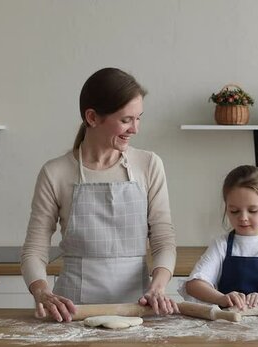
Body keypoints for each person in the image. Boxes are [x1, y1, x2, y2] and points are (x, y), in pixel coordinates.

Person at [21, 68, 178, 322]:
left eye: (139, 118)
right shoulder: (56, 172)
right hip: (72, 313)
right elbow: (35, 249)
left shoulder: (148, 165)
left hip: (137, 311)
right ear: (92, 117)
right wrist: (41, 292)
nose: (135, 129)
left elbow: (163, 238)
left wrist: (158, 286)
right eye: (126, 120)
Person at [184, 165, 258, 310]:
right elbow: (194, 285)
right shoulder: (221, 245)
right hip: (228, 325)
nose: (243, 218)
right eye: (234, 211)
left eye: (252, 210)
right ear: (226, 208)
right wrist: (221, 298)